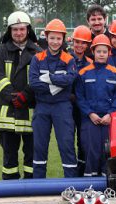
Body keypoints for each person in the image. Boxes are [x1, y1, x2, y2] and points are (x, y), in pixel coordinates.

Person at [0, 11, 40, 180]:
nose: (19, 33)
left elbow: (40, 80)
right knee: (9, 155)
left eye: (22, 29)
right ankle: (9, 188)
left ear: (28, 30)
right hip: (8, 113)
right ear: (9, 31)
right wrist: (14, 97)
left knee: (31, 154)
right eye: (15, 29)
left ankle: (31, 186)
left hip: (31, 111)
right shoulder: (0, 52)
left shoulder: (38, 52)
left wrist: (26, 96)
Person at [29, 19, 78, 178]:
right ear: (46, 37)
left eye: (58, 38)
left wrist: (48, 77)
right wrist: (57, 84)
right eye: (52, 38)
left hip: (62, 107)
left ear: (63, 39)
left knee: (66, 145)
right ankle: (38, 185)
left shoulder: (68, 59)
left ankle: (71, 184)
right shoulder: (37, 58)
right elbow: (34, 83)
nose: (55, 42)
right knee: (39, 146)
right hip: (42, 106)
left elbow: (70, 80)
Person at [75, 34, 116, 177]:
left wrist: (111, 114)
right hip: (89, 119)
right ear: (93, 52)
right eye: (98, 51)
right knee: (91, 150)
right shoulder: (83, 73)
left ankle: (105, 182)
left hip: (109, 120)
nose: (101, 54)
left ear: (109, 53)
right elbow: (80, 97)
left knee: (107, 151)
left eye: (104, 52)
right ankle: (90, 183)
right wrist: (90, 113)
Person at [70, 25, 93, 176]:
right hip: (67, 106)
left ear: (88, 44)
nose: (80, 45)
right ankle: (71, 173)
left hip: (84, 108)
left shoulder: (91, 63)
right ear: (72, 41)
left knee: (83, 141)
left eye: (83, 42)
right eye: (77, 41)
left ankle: (82, 172)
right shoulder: (65, 59)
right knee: (68, 140)